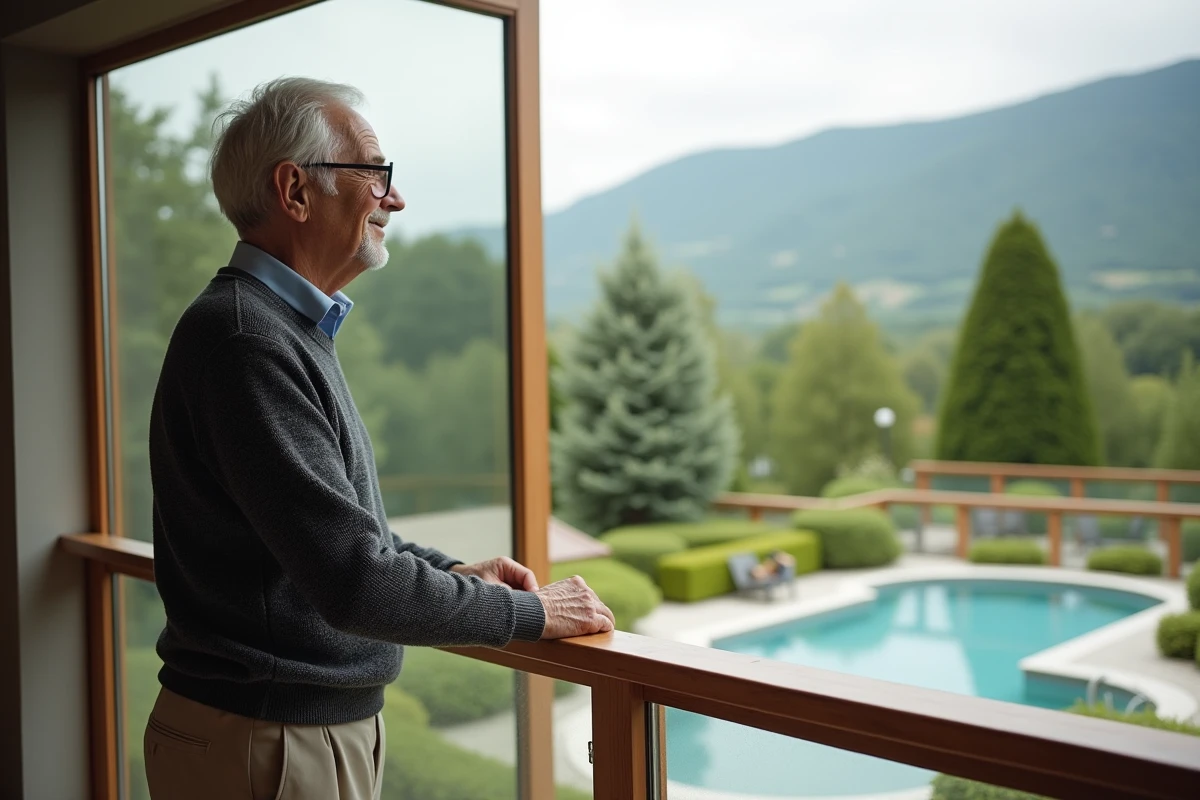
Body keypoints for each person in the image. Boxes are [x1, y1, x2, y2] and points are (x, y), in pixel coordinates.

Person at [143, 77, 614, 800]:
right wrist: (533, 613)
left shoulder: (277, 330)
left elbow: (337, 538)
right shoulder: (247, 342)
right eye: (372, 172)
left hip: (280, 735)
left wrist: (455, 574)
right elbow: (355, 582)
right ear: (295, 191)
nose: (393, 199)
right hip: (269, 745)